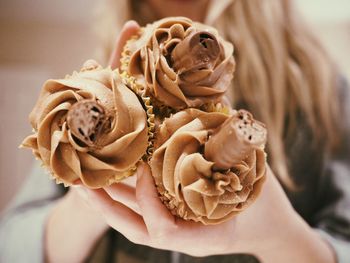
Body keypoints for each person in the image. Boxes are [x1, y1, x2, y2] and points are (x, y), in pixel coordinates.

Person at [1, 0, 350, 262]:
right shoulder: (92, 89)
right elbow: (11, 245)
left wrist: (278, 236)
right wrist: (92, 198)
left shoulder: (324, 92)